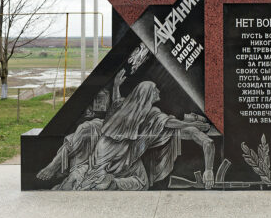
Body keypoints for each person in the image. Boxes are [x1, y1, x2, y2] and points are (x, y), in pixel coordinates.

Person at [36, 75, 214, 190]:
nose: (158, 91)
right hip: (122, 153)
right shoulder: (153, 114)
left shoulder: (125, 106)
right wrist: (193, 125)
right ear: (148, 95)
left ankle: (85, 174)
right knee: (141, 183)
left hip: (105, 148)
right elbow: (173, 123)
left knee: (86, 132)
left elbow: (115, 104)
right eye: (155, 89)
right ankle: (107, 181)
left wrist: (116, 86)